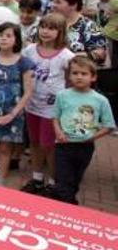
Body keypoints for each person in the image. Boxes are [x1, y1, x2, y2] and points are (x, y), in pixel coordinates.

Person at [19, 13, 75, 195]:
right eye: (43, 27)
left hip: (52, 110)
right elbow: (24, 73)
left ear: (60, 32)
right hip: (32, 105)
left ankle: (53, 182)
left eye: (51, 28)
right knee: (34, 142)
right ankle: (36, 178)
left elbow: (70, 81)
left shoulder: (66, 56)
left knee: (49, 145)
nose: (46, 31)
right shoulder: (29, 50)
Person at [49, 56, 115, 205]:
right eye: (75, 73)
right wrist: (58, 132)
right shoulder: (62, 95)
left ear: (93, 77)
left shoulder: (100, 100)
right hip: (63, 144)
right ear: (69, 75)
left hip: (84, 146)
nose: (79, 77)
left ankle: (68, 202)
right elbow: (55, 117)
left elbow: (109, 125)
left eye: (84, 74)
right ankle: (65, 205)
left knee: (75, 179)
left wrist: (92, 137)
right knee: (63, 179)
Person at [0, 22, 35, 186]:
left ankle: (1, 179)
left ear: (16, 40)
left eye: (8, 35)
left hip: (11, 113)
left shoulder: (24, 62)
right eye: (0, 35)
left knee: (4, 147)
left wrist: (12, 115)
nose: (3, 38)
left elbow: (28, 92)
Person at [51, 0, 107, 64]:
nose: (53, 5)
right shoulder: (49, 23)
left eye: (58, 2)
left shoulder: (88, 26)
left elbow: (100, 54)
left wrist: (70, 57)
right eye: (53, 2)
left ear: (73, 5)